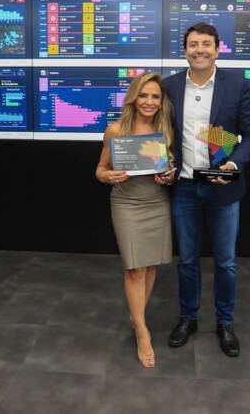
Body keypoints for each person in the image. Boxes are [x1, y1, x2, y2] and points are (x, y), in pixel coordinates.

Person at [164, 22, 250, 357]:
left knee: (226, 263)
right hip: (184, 188)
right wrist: (162, 161)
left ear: (217, 50)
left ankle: (225, 323)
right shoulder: (170, 86)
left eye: (206, 44)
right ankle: (188, 318)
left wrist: (231, 165)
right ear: (185, 50)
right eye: (193, 44)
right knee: (187, 260)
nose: (199, 50)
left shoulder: (236, 85)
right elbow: (164, 135)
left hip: (223, 188)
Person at [95, 72, 177, 368]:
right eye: (144, 95)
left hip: (157, 202)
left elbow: (170, 170)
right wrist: (109, 176)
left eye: (155, 96)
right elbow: (100, 169)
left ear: (161, 101)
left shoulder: (165, 130)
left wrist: (169, 176)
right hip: (127, 203)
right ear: (133, 98)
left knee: (150, 265)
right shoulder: (116, 130)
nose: (149, 101)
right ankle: (143, 332)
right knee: (134, 269)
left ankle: (136, 316)